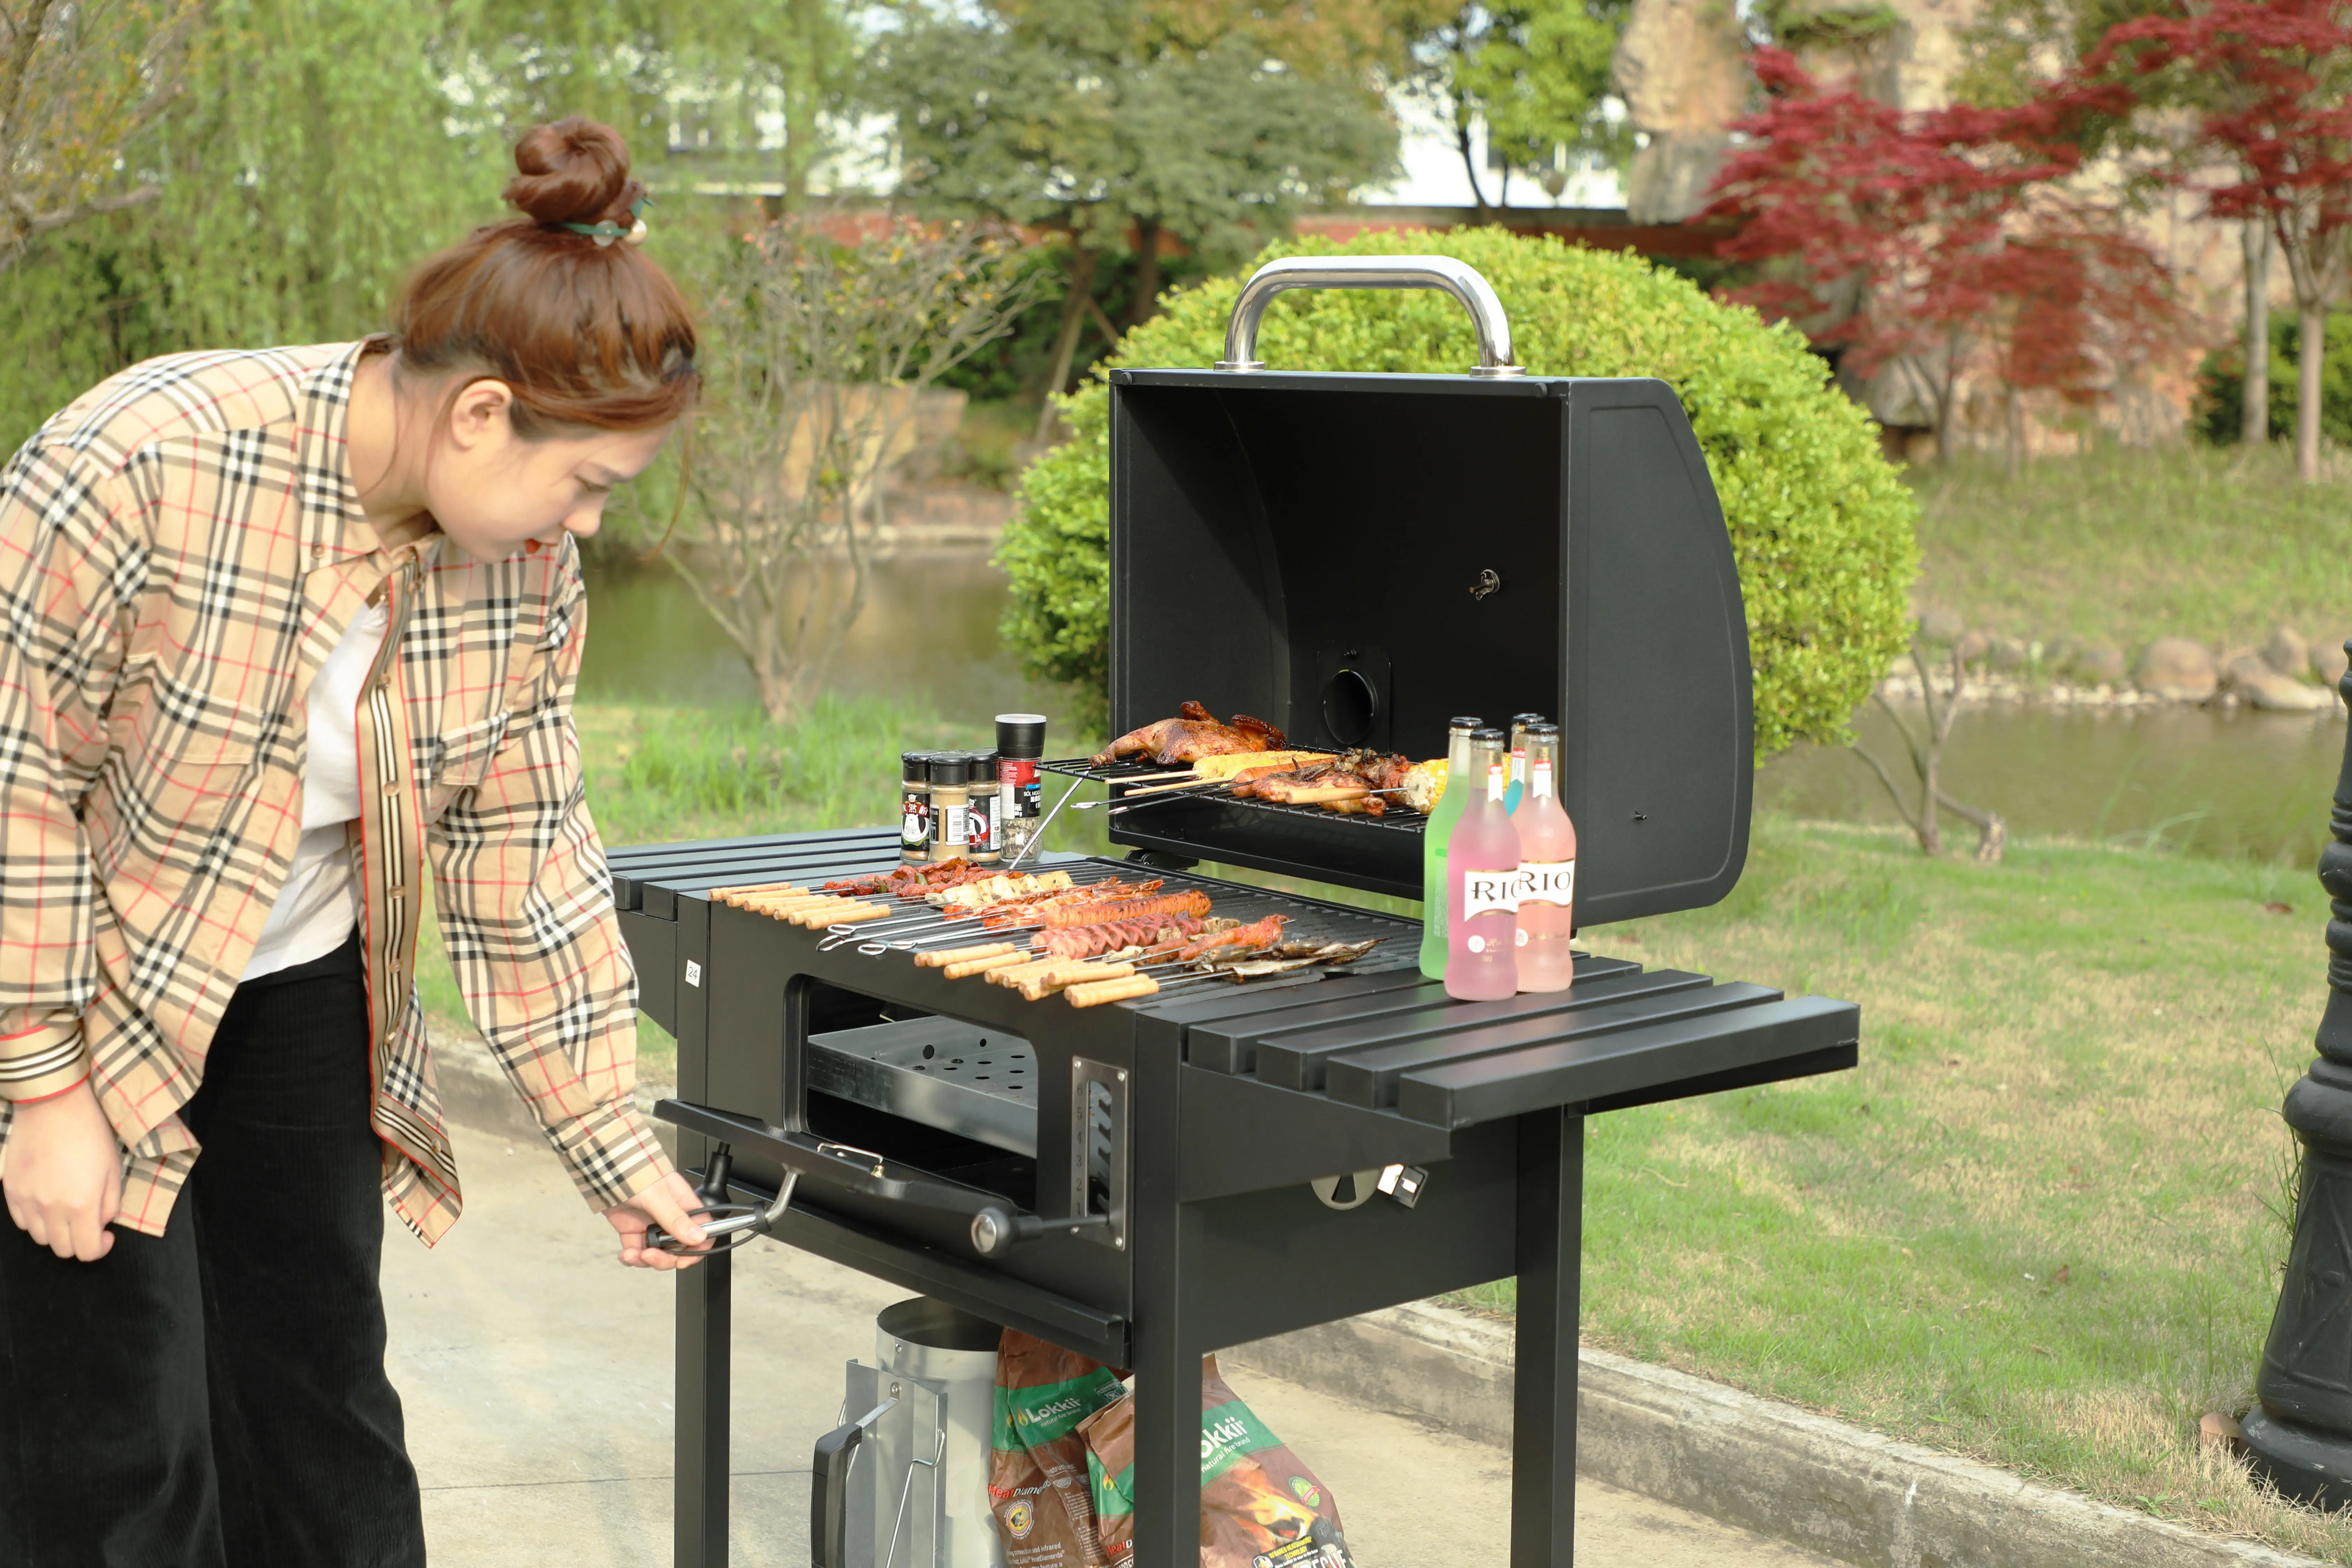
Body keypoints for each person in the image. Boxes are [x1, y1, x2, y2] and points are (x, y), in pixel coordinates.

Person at [0, 117, 713, 1567]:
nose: (580, 528)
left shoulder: (523, 575)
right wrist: (41, 1091)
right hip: (80, 987)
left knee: (322, 1404)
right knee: (118, 1440)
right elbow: (14, 789)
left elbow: (524, 849)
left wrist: (608, 1140)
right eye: (585, 484)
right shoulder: (146, 462)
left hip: (302, 979)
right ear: (478, 414)